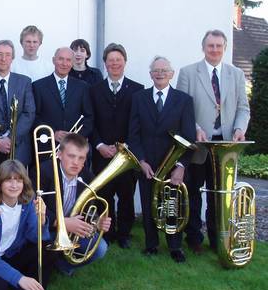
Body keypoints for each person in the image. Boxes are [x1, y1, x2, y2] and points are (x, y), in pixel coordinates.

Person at [176, 29, 250, 253]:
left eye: (219, 46)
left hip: (225, 146)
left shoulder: (236, 74)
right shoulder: (188, 72)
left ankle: (218, 238)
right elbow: (181, 109)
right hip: (198, 145)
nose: (215, 50)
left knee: (220, 194)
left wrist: (239, 129)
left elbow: (243, 108)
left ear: (224, 48)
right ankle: (194, 238)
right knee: (195, 192)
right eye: (211, 46)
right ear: (203, 47)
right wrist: (195, 128)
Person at [129, 56, 196, 262]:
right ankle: (152, 244)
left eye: (164, 70)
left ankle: (175, 246)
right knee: (149, 204)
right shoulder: (139, 98)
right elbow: (133, 133)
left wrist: (181, 166)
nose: (160, 73)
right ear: (150, 74)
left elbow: (189, 137)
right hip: (147, 162)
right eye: (156, 70)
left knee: (172, 205)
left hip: (173, 163)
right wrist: (141, 160)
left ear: (171, 74)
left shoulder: (184, 100)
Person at [31, 134, 110, 276]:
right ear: (59, 154)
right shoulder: (42, 171)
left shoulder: (88, 178)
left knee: (101, 248)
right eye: (71, 156)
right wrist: (61, 222)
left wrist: (97, 223)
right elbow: (32, 206)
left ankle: (62, 265)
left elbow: (87, 212)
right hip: (45, 227)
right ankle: (46, 263)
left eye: (81, 158)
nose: (76, 162)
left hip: (71, 230)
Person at [89, 43, 144, 248]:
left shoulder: (138, 90)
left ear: (125, 62)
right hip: (101, 153)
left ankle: (124, 234)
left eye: (118, 60)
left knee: (126, 195)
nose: (114, 63)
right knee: (104, 195)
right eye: (110, 60)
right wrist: (99, 145)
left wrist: (126, 147)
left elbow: (138, 122)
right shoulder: (94, 90)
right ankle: (107, 233)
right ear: (105, 63)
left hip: (127, 154)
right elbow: (90, 121)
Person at [0, 160, 55, 290]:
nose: (14, 185)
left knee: (48, 247)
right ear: (0, 183)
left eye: (18, 180)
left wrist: (41, 219)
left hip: (13, 254)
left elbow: (36, 237)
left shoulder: (27, 202)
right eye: (9, 180)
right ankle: (17, 285)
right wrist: (19, 278)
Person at [0, 40, 36, 177]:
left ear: (12, 58)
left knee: (16, 189)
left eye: (7, 55)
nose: (3, 58)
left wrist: (11, 138)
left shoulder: (24, 82)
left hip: (18, 149)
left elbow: (29, 113)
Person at [32, 47, 93, 145]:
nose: (64, 64)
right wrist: (53, 133)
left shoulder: (83, 87)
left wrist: (77, 136)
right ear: (53, 60)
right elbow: (34, 117)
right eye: (60, 59)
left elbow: (89, 117)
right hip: (48, 146)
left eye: (68, 60)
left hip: (75, 146)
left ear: (72, 63)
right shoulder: (38, 86)